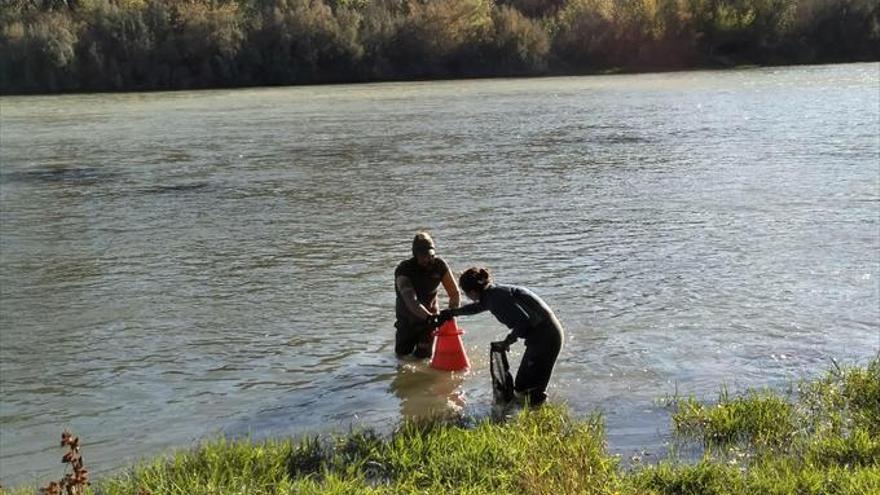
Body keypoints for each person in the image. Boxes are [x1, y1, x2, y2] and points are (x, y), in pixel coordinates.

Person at [439, 267, 563, 406]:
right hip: (544, 336)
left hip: (546, 337)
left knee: (527, 388)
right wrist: (452, 313)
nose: (467, 297)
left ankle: (537, 414)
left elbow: (524, 322)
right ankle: (534, 411)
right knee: (524, 385)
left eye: (465, 293)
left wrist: (507, 342)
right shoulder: (492, 293)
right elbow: (476, 308)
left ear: (473, 292)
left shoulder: (495, 298)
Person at [394, 232, 461, 358]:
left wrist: (451, 316)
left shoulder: (439, 265)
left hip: (429, 322)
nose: (427, 259)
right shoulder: (404, 270)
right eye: (423, 256)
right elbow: (411, 301)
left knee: (424, 357)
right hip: (407, 320)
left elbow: (454, 293)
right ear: (415, 255)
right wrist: (429, 317)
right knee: (402, 357)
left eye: (430, 255)